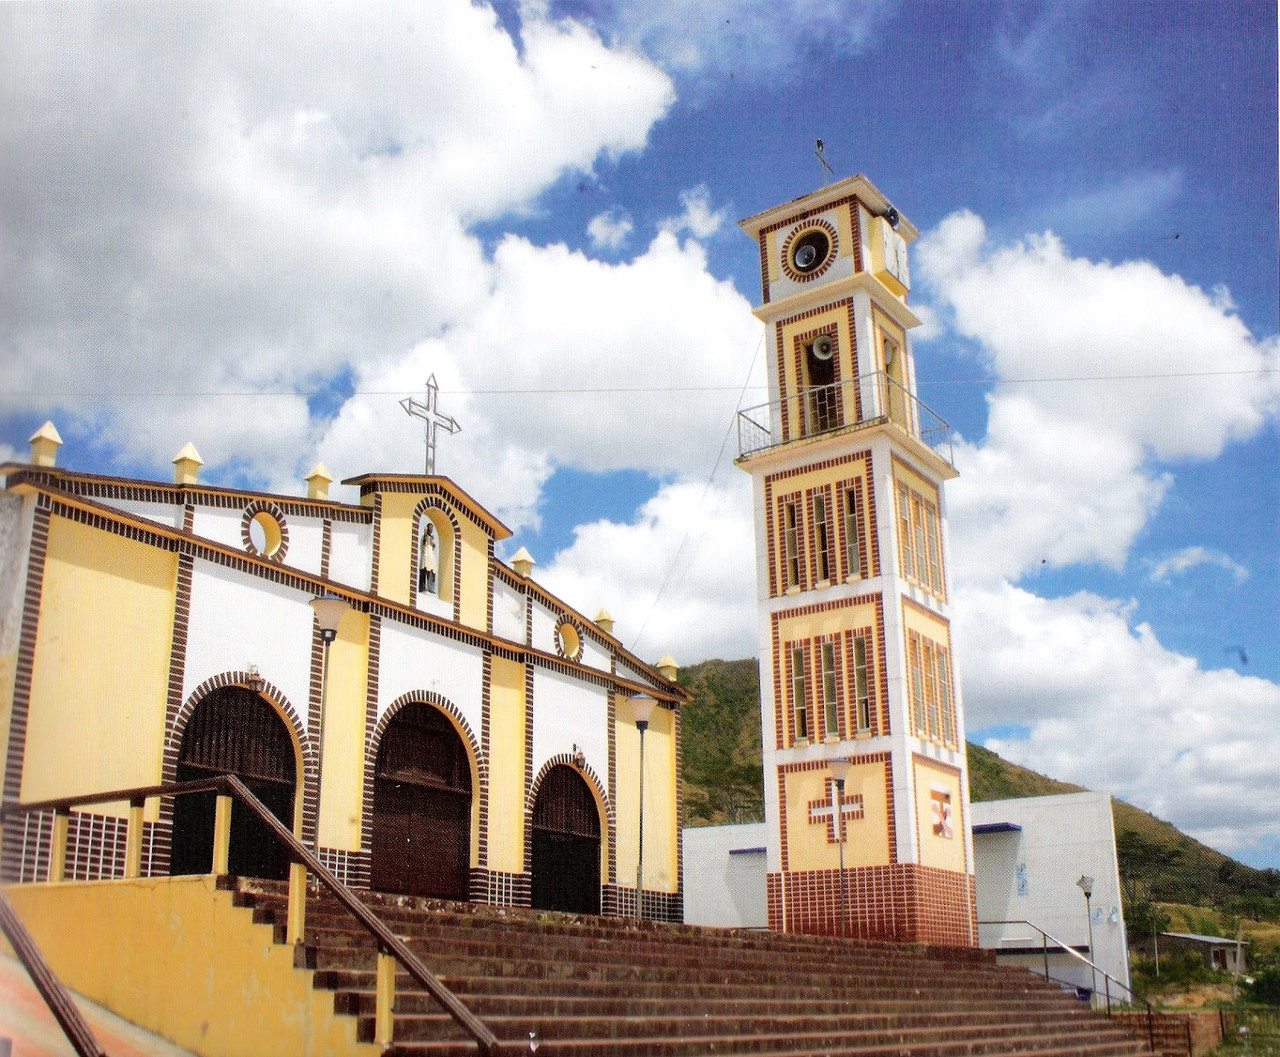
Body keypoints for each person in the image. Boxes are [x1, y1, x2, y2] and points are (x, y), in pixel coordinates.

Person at [419, 522, 438, 594]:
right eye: (429, 528)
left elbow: (434, 545)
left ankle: (431, 588)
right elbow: (423, 543)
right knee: (424, 570)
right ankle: (423, 587)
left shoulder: (432, 537)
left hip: (431, 557)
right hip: (425, 555)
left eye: (432, 528)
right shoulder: (424, 536)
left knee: (431, 571)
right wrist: (425, 535)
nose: (431, 529)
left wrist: (431, 539)